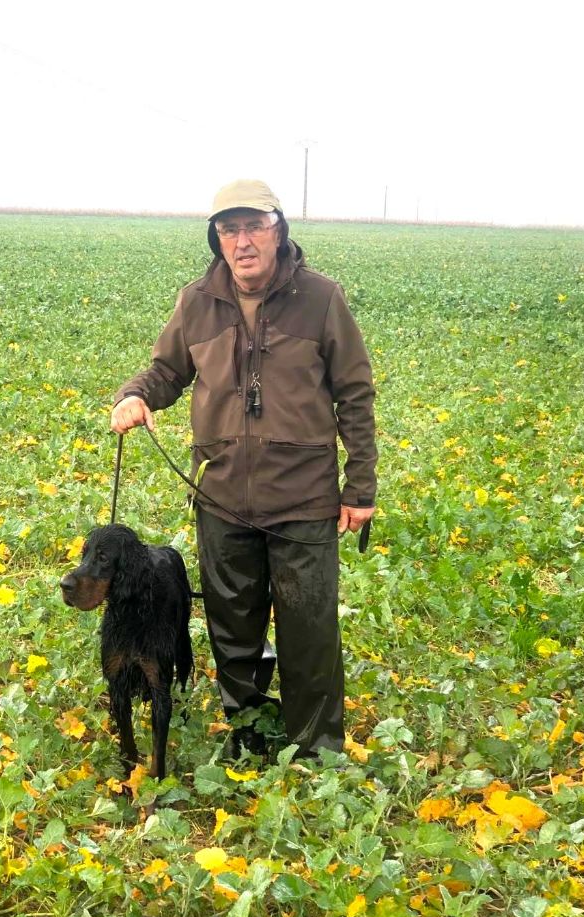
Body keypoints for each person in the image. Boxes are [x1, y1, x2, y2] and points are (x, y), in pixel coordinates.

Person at [110, 179, 377, 761]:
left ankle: (316, 750)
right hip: (222, 495)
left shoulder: (321, 299)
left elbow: (354, 394)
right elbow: (165, 372)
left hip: (303, 500)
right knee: (234, 630)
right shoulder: (196, 302)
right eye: (229, 229)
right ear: (217, 239)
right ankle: (251, 731)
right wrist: (136, 396)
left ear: (278, 230)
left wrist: (360, 487)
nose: (243, 240)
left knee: (309, 633)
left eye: (254, 225)